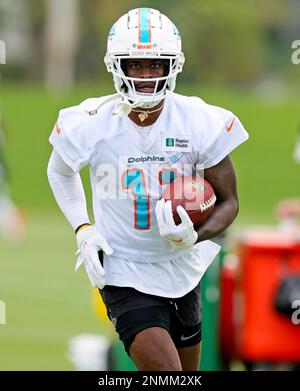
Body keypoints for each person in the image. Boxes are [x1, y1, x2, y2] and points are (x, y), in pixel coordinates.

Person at [47, 8, 249, 371]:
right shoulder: (92, 122)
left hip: (182, 269)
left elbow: (229, 201)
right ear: (116, 66)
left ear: (173, 65)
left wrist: (195, 234)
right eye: (135, 64)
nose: (146, 75)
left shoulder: (198, 121)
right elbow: (60, 173)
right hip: (123, 268)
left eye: (155, 65)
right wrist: (83, 229)